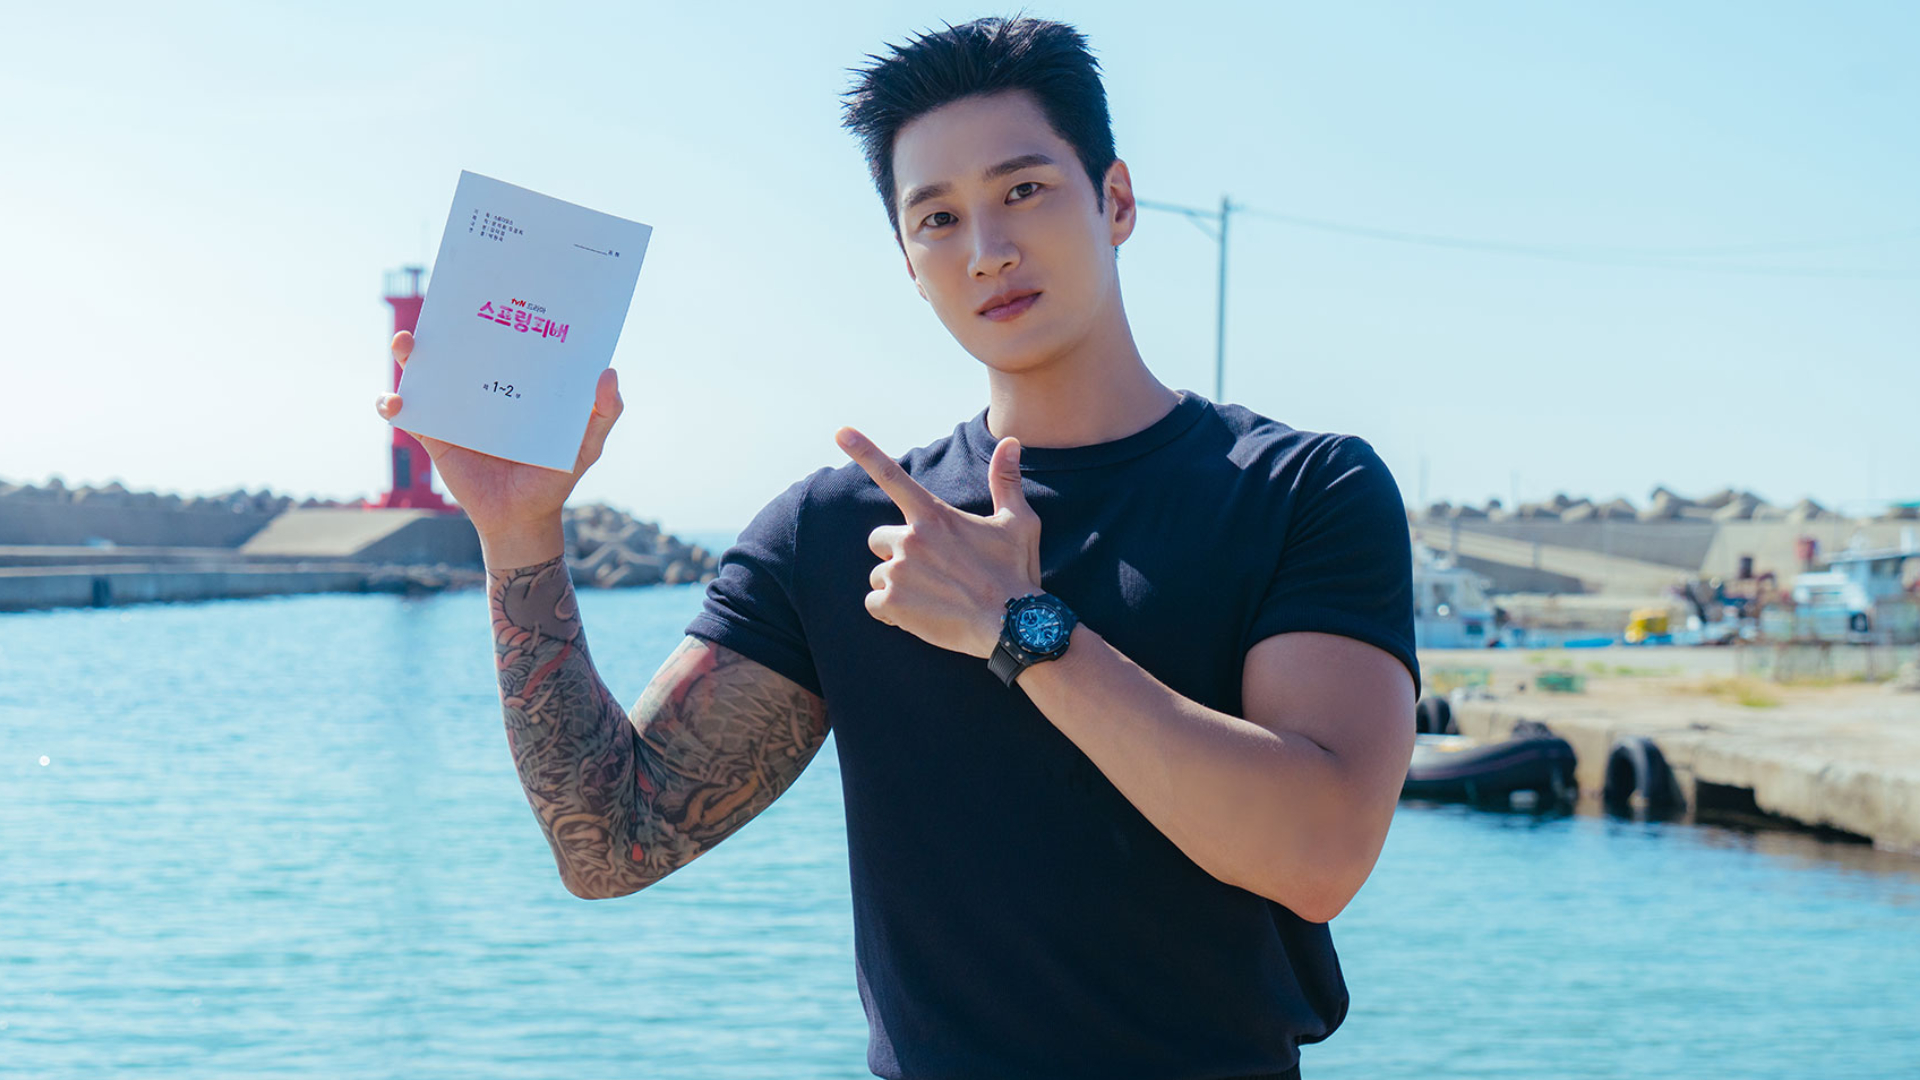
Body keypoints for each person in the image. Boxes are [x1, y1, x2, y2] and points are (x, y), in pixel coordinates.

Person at [375, 16, 1418, 1080]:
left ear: (1115, 200)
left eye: (1024, 190)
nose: (987, 250)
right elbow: (611, 842)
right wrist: (519, 536)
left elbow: (1320, 856)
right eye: (938, 219)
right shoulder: (841, 534)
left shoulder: (1302, 491)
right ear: (909, 264)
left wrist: (1019, 628)